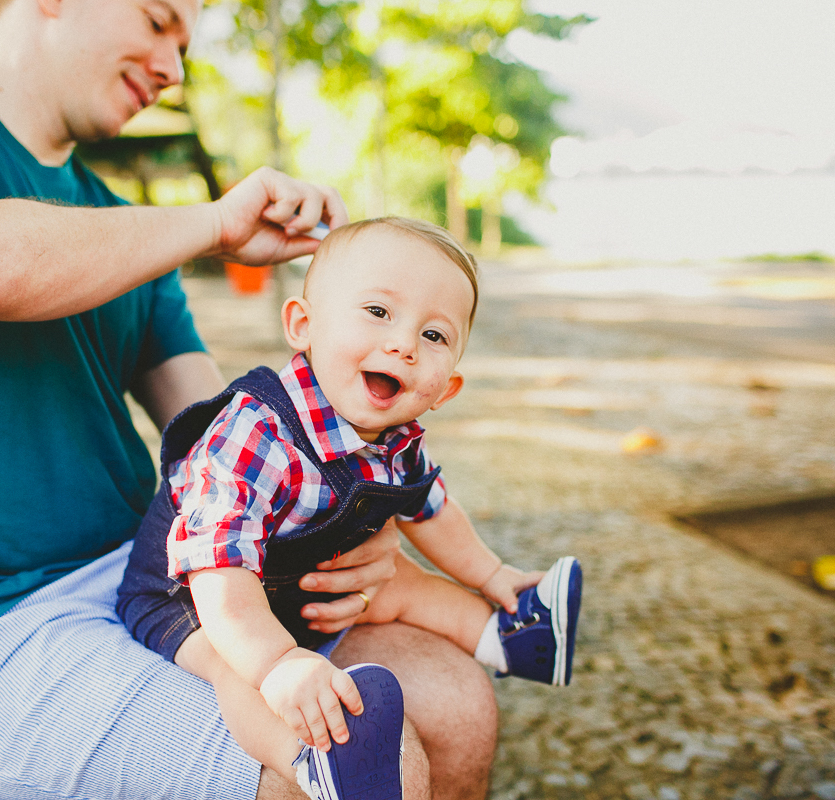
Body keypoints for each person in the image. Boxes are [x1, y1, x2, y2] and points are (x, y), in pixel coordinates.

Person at [0, 0, 500, 796]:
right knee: (368, 766)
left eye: (185, 44)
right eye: (159, 21)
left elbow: (234, 433)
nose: (174, 68)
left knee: (459, 702)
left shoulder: (123, 224)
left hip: (138, 578)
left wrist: (344, 524)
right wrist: (216, 224)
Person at [117, 218, 584, 800]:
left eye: (434, 336)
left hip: (292, 584)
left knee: (407, 589)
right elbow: (216, 568)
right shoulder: (255, 433)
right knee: (229, 666)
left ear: (448, 388)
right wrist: (278, 663)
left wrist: (494, 575)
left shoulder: (396, 437)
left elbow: (433, 512)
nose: (404, 344)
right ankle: (311, 760)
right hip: (192, 594)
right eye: (379, 313)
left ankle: (512, 635)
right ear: (303, 326)